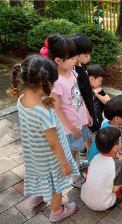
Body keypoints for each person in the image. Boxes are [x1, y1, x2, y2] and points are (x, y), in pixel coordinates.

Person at [7, 55, 78, 222]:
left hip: (34, 152)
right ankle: (57, 211)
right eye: (52, 82)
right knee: (56, 183)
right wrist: (64, 163)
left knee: (41, 175)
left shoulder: (21, 100)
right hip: (51, 158)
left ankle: (37, 196)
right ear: (43, 84)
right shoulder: (44, 113)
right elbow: (54, 144)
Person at [42, 34, 93, 188]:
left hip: (80, 119)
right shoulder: (56, 82)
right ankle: (72, 176)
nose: (75, 61)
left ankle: (77, 165)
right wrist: (71, 127)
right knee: (71, 151)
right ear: (58, 60)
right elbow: (55, 108)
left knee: (78, 148)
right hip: (70, 127)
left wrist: (87, 113)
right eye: (71, 58)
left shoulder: (72, 72)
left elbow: (78, 95)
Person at [81, 127, 122, 210]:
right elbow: (115, 188)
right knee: (121, 188)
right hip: (103, 204)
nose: (121, 142)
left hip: (85, 197)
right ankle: (112, 202)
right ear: (115, 148)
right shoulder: (119, 164)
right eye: (120, 141)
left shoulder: (95, 158)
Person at [87, 96, 122, 170]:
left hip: (92, 157)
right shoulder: (116, 135)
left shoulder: (106, 123)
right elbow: (118, 150)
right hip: (98, 164)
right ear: (116, 118)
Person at [70, 33, 99, 132]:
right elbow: (78, 94)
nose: (89, 58)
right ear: (76, 54)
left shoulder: (81, 64)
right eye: (86, 55)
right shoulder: (73, 71)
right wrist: (86, 113)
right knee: (90, 128)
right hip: (83, 107)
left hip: (89, 102)